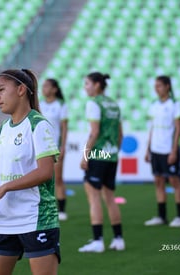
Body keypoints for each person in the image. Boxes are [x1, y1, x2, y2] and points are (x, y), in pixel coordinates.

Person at [0, 69, 60, 275]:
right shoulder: (4, 127)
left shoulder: (38, 125)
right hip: (4, 219)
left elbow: (45, 172)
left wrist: (4, 188)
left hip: (36, 218)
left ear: (21, 90)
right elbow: (2, 174)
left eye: (1, 90)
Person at [78, 72, 125, 253]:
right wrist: (113, 152)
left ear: (97, 85)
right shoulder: (113, 104)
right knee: (110, 198)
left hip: (98, 155)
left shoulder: (93, 103)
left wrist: (85, 155)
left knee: (94, 196)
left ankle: (97, 241)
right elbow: (120, 135)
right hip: (111, 155)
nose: (85, 87)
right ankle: (118, 239)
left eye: (87, 83)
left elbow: (94, 132)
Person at [144, 76, 180, 227]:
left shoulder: (175, 104)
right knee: (158, 182)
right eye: (155, 86)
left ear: (168, 86)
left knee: (175, 181)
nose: (157, 88)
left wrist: (174, 150)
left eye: (159, 86)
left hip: (168, 149)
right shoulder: (154, 105)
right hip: (155, 149)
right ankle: (161, 216)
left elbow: (178, 129)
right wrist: (148, 148)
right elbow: (152, 128)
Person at [40, 78, 69, 221]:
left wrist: (63, 146)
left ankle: (62, 210)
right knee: (41, 180)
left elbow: (64, 128)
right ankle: (45, 209)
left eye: (46, 86)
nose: (43, 89)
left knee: (57, 179)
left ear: (54, 89)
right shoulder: (39, 105)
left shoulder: (61, 104)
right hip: (40, 148)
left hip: (55, 147)